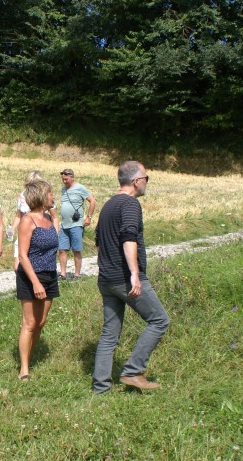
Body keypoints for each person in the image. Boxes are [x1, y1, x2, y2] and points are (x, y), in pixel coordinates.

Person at [92, 161, 169, 394]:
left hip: (106, 279)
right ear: (136, 181)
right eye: (146, 178)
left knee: (109, 335)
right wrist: (134, 274)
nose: (147, 182)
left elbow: (98, 241)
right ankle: (133, 371)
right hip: (124, 278)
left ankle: (101, 389)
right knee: (159, 320)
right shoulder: (129, 204)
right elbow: (128, 238)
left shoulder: (108, 206)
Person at [16, 180, 59, 381]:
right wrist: (35, 283)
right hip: (31, 276)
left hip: (50, 275)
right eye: (50, 194)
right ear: (42, 196)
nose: (53, 197)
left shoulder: (49, 218)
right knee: (30, 323)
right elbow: (23, 256)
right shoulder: (28, 220)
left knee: (41, 322)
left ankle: (31, 357)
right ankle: (24, 368)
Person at [12, 170, 58, 271]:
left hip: (40, 234)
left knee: (33, 265)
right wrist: (12, 228)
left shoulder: (45, 198)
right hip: (23, 234)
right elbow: (18, 215)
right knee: (17, 267)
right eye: (29, 184)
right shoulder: (22, 196)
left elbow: (54, 217)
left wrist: (54, 234)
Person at [57, 168, 95, 280]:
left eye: (66, 179)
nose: (64, 181)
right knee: (62, 249)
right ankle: (63, 274)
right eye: (63, 179)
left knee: (76, 250)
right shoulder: (63, 189)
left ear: (72, 177)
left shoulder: (80, 188)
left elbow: (92, 201)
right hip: (64, 224)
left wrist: (88, 217)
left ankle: (77, 275)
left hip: (76, 224)